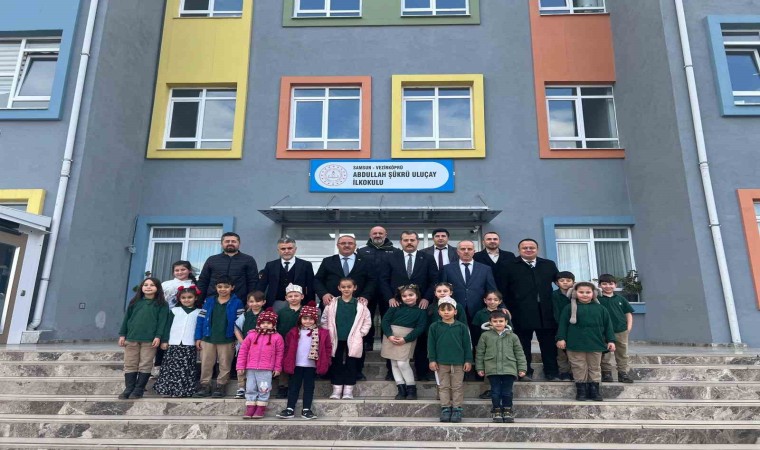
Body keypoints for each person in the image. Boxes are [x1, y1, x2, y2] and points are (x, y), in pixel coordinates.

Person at [497, 238, 560, 381]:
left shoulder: (548, 264)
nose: (528, 250)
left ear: (537, 249)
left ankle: (551, 372)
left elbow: (560, 283)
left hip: (546, 312)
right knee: (522, 344)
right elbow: (502, 290)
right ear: (519, 250)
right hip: (520, 312)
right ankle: (524, 372)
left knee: (549, 344)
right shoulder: (508, 266)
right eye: (525, 248)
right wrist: (503, 307)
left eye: (532, 247)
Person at [556, 282, 616, 401]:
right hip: (575, 344)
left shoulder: (601, 309)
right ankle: (581, 391)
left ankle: (594, 391)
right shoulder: (569, 308)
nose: (584, 294)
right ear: (575, 293)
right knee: (578, 366)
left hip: (595, 343)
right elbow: (562, 324)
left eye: (588, 292)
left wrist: (611, 340)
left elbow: (608, 326)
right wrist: (561, 338)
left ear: (594, 293)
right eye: (581, 292)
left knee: (594, 367)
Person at [277, 301, 332, 420]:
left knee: (309, 387)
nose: (308, 321)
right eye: (305, 318)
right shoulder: (294, 332)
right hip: (296, 364)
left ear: (315, 320)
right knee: (293, 387)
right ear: (300, 319)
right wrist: (286, 361)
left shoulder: (322, 333)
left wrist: (326, 361)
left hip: (311, 366)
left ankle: (306, 409)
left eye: (311, 319)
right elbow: (287, 347)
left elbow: (327, 348)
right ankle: (290, 409)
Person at [118, 277, 169, 400]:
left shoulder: (162, 304)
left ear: (158, 288)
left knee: (145, 364)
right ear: (141, 287)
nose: (148, 287)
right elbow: (127, 319)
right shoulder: (135, 302)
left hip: (149, 340)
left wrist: (158, 337)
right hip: (132, 338)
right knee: (130, 363)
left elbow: (162, 322)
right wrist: (122, 334)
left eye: (152, 285)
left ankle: (139, 389)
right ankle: (129, 388)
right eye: (145, 285)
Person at [193, 275, 244, 398]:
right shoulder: (209, 301)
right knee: (206, 362)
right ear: (216, 287)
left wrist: (237, 339)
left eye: (226, 287)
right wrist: (198, 337)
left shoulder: (237, 302)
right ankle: (205, 385)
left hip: (227, 338)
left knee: (225, 363)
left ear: (232, 287)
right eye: (220, 287)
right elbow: (201, 319)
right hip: (208, 338)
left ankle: (221, 385)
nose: (223, 289)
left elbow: (240, 322)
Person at [321, 277, 371, 400]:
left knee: (351, 363)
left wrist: (361, 333)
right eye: (343, 287)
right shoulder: (332, 304)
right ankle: (336, 389)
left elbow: (367, 321)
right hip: (335, 338)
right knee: (336, 363)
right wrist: (328, 332)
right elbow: (324, 319)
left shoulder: (360, 305)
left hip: (353, 339)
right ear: (339, 288)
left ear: (355, 288)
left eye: (349, 287)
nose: (346, 289)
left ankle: (348, 390)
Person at [476, 310, 527, 423]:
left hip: (509, 369)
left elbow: (519, 353)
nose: (498, 323)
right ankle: (497, 410)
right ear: (490, 322)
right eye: (495, 321)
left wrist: (522, 368)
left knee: (507, 392)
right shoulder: (485, 336)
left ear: (506, 322)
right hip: (492, 369)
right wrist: (480, 368)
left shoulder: (513, 336)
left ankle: (507, 410)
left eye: (501, 321)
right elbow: (480, 353)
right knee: (495, 391)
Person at [428, 296, 472, 423]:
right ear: (439, 312)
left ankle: (457, 409)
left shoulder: (462, 327)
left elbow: (467, 345)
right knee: (443, 386)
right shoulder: (434, 327)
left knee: (457, 386)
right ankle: (445, 408)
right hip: (441, 362)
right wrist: (432, 360)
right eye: (443, 310)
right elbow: (431, 345)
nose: (446, 312)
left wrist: (468, 360)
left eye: (449, 310)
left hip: (458, 362)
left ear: (455, 311)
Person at [380, 284, 427, 400]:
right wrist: (389, 335)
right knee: (394, 364)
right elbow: (385, 321)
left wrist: (406, 339)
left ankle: (411, 388)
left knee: (402, 363)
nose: (408, 298)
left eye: (411, 295)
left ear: (417, 296)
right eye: (404, 296)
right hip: (391, 337)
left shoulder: (421, 311)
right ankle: (401, 388)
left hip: (407, 338)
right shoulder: (395, 307)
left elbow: (420, 327)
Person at [154, 285, 201, 398]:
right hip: (173, 344)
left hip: (189, 345)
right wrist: (164, 340)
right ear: (179, 299)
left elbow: (199, 327)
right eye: (183, 298)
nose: (186, 300)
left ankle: (182, 390)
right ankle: (167, 390)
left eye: (190, 297)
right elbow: (167, 326)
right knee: (170, 368)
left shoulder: (199, 312)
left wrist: (198, 340)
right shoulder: (174, 311)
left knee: (186, 368)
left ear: (195, 298)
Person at [236, 308, 284, 419]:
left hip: (266, 369)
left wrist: (277, 368)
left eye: (269, 323)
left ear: (273, 324)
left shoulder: (277, 337)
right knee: (250, 387)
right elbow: (243, 351)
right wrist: (240, 366)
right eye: (263, 323)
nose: (265, 325)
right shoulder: (251, 335)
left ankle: (260, 408)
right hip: (251, 368)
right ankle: (250, 407)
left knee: (264, 388)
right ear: (259, 323)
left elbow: (279, 354)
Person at [358, 226, 399, 352]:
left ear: (385, 235)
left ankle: (386, 342)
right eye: (375, 233)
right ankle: (367, 342)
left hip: (388, 291)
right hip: (367, 291)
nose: (377, 235)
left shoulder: (395, 252)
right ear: (370, 235)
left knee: (387, 317)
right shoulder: (361, 251)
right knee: (366, 316)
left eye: (380, 233)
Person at [154, 260, 196, 378]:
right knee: (164, 338)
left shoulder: (194, 284)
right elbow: (159, 300)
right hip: (167, 315)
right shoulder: (166, 284)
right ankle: (158, 366)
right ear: (173, 272)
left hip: (184, 317)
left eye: (183, 269)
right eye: (177, 270)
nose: (180, 272)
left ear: (189, 271)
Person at [439, 240, 497, 323]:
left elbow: (492, 290)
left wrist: (501, 306)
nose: (466, 251)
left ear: (474, 251)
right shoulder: (447, 268)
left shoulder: (485, 269)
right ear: (458, 252)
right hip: (454, 310)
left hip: (478, 309)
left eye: (469, 249)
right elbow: (442, 288)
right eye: (463, 249)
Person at [420, 281, 467, 381]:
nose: (442, 293)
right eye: (439, 291)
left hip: (455, 341)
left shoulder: (458, 306)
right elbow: (427, 326)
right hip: (437, 341)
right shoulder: (431, 307)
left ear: (451, 292)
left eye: (445, 291)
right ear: (435, 293)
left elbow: (463, 324)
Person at [471, 290, 512, 399]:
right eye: (489, 299)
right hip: (486, 346)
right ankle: (491, 389)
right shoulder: (480, 314)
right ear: (485, 300)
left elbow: (510, 329)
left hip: (502, 346)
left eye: (495, 299)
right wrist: (477, 345)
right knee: (488, 367)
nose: (492, 301)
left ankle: (504, 390)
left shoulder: (504, 313)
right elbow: (475, 330)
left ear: (500, 301)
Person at [314, 235, 375, 307]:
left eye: (350, 243)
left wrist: (365, 296)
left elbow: (372, 281)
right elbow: (317, 280)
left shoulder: (365, 262)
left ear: (355, 246)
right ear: (337, 246)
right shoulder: (328, 261)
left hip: (359, 304)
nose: (347, 245)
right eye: (343, 243)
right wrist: (324, 294)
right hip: (331, 303)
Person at [197, 232, 258, 301]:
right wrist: (200, 300)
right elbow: (203, 281)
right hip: (213, 300)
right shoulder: (212, 260)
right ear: (221, 243)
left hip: (239, 301)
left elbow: (253, 282)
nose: (230, 243)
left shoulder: (248, 260)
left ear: (239, 244)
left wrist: (251, 301)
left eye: (233, 241)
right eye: (227, 241)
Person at [257, 237, 315, 309]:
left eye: (290, 248)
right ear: (278, 250)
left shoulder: (306, 265)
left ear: (295, 249)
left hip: (299, 305)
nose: (286, 251)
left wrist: (311, 305)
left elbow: (310, 287)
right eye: (283, 249)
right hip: (274, 304)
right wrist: (257, 302)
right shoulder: (270, 265)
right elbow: (262, 285)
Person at [597, 274, 635, 384]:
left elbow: (628, 313)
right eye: (604, 284)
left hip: (620, 330)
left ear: (615, 285)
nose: (608, 286)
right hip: (603, 332)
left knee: (622, 353)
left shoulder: (621, 299)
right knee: (605, 353)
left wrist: (628, 327)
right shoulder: (597, 299)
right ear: (599, 285)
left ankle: (623, 373)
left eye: (611, 284)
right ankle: (606, 373)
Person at [233, 290, 266, 399]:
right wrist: (242, 342)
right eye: (251, 301)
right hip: (245, 347)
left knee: (255, 368)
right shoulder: (245, 315)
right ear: (248, 302)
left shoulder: (266, 316)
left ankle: (254, 388)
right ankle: (241, 388)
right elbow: (236, 328)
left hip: (260, 348)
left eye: (258, 301)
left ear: (264, 302)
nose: (255, 304)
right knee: (242, 366)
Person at [274, 283, 305, 398]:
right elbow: (277, 327)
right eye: (290, 296)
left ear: (302, 296)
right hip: (284, 343)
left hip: (301, 343)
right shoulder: (281, 312)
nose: (293, 298)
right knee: (284, 364)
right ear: (286, 298)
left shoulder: (305, 311)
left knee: (298, 364)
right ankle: (283, 386)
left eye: (296, 296)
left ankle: (294, 386)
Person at [552, 271, 575, 381]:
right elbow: (555, 311)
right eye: (562, 281)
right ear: (557, 283)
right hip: (559, 326)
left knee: (573, 350)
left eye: (568, 280)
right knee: (561, 351)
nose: (565, 282)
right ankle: (564, 371)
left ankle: (573, 371)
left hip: (574, 327)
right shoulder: (554, 295)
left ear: (573, 282)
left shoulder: (576, 294)